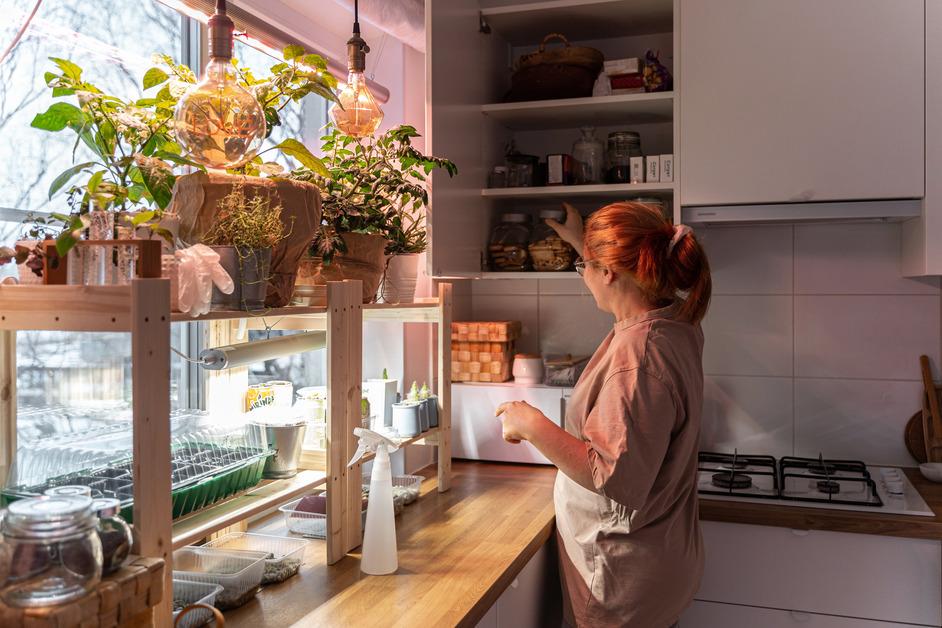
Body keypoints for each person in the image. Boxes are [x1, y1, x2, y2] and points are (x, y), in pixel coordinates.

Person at [495, 201, 712, 627]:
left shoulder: (639, 356)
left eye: (585, 268)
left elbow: (612, 474)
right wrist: (584, 245)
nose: (585, 278)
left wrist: (531, 423)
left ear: (609, 272)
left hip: (621, 576)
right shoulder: (676, 321)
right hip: (658, 559)